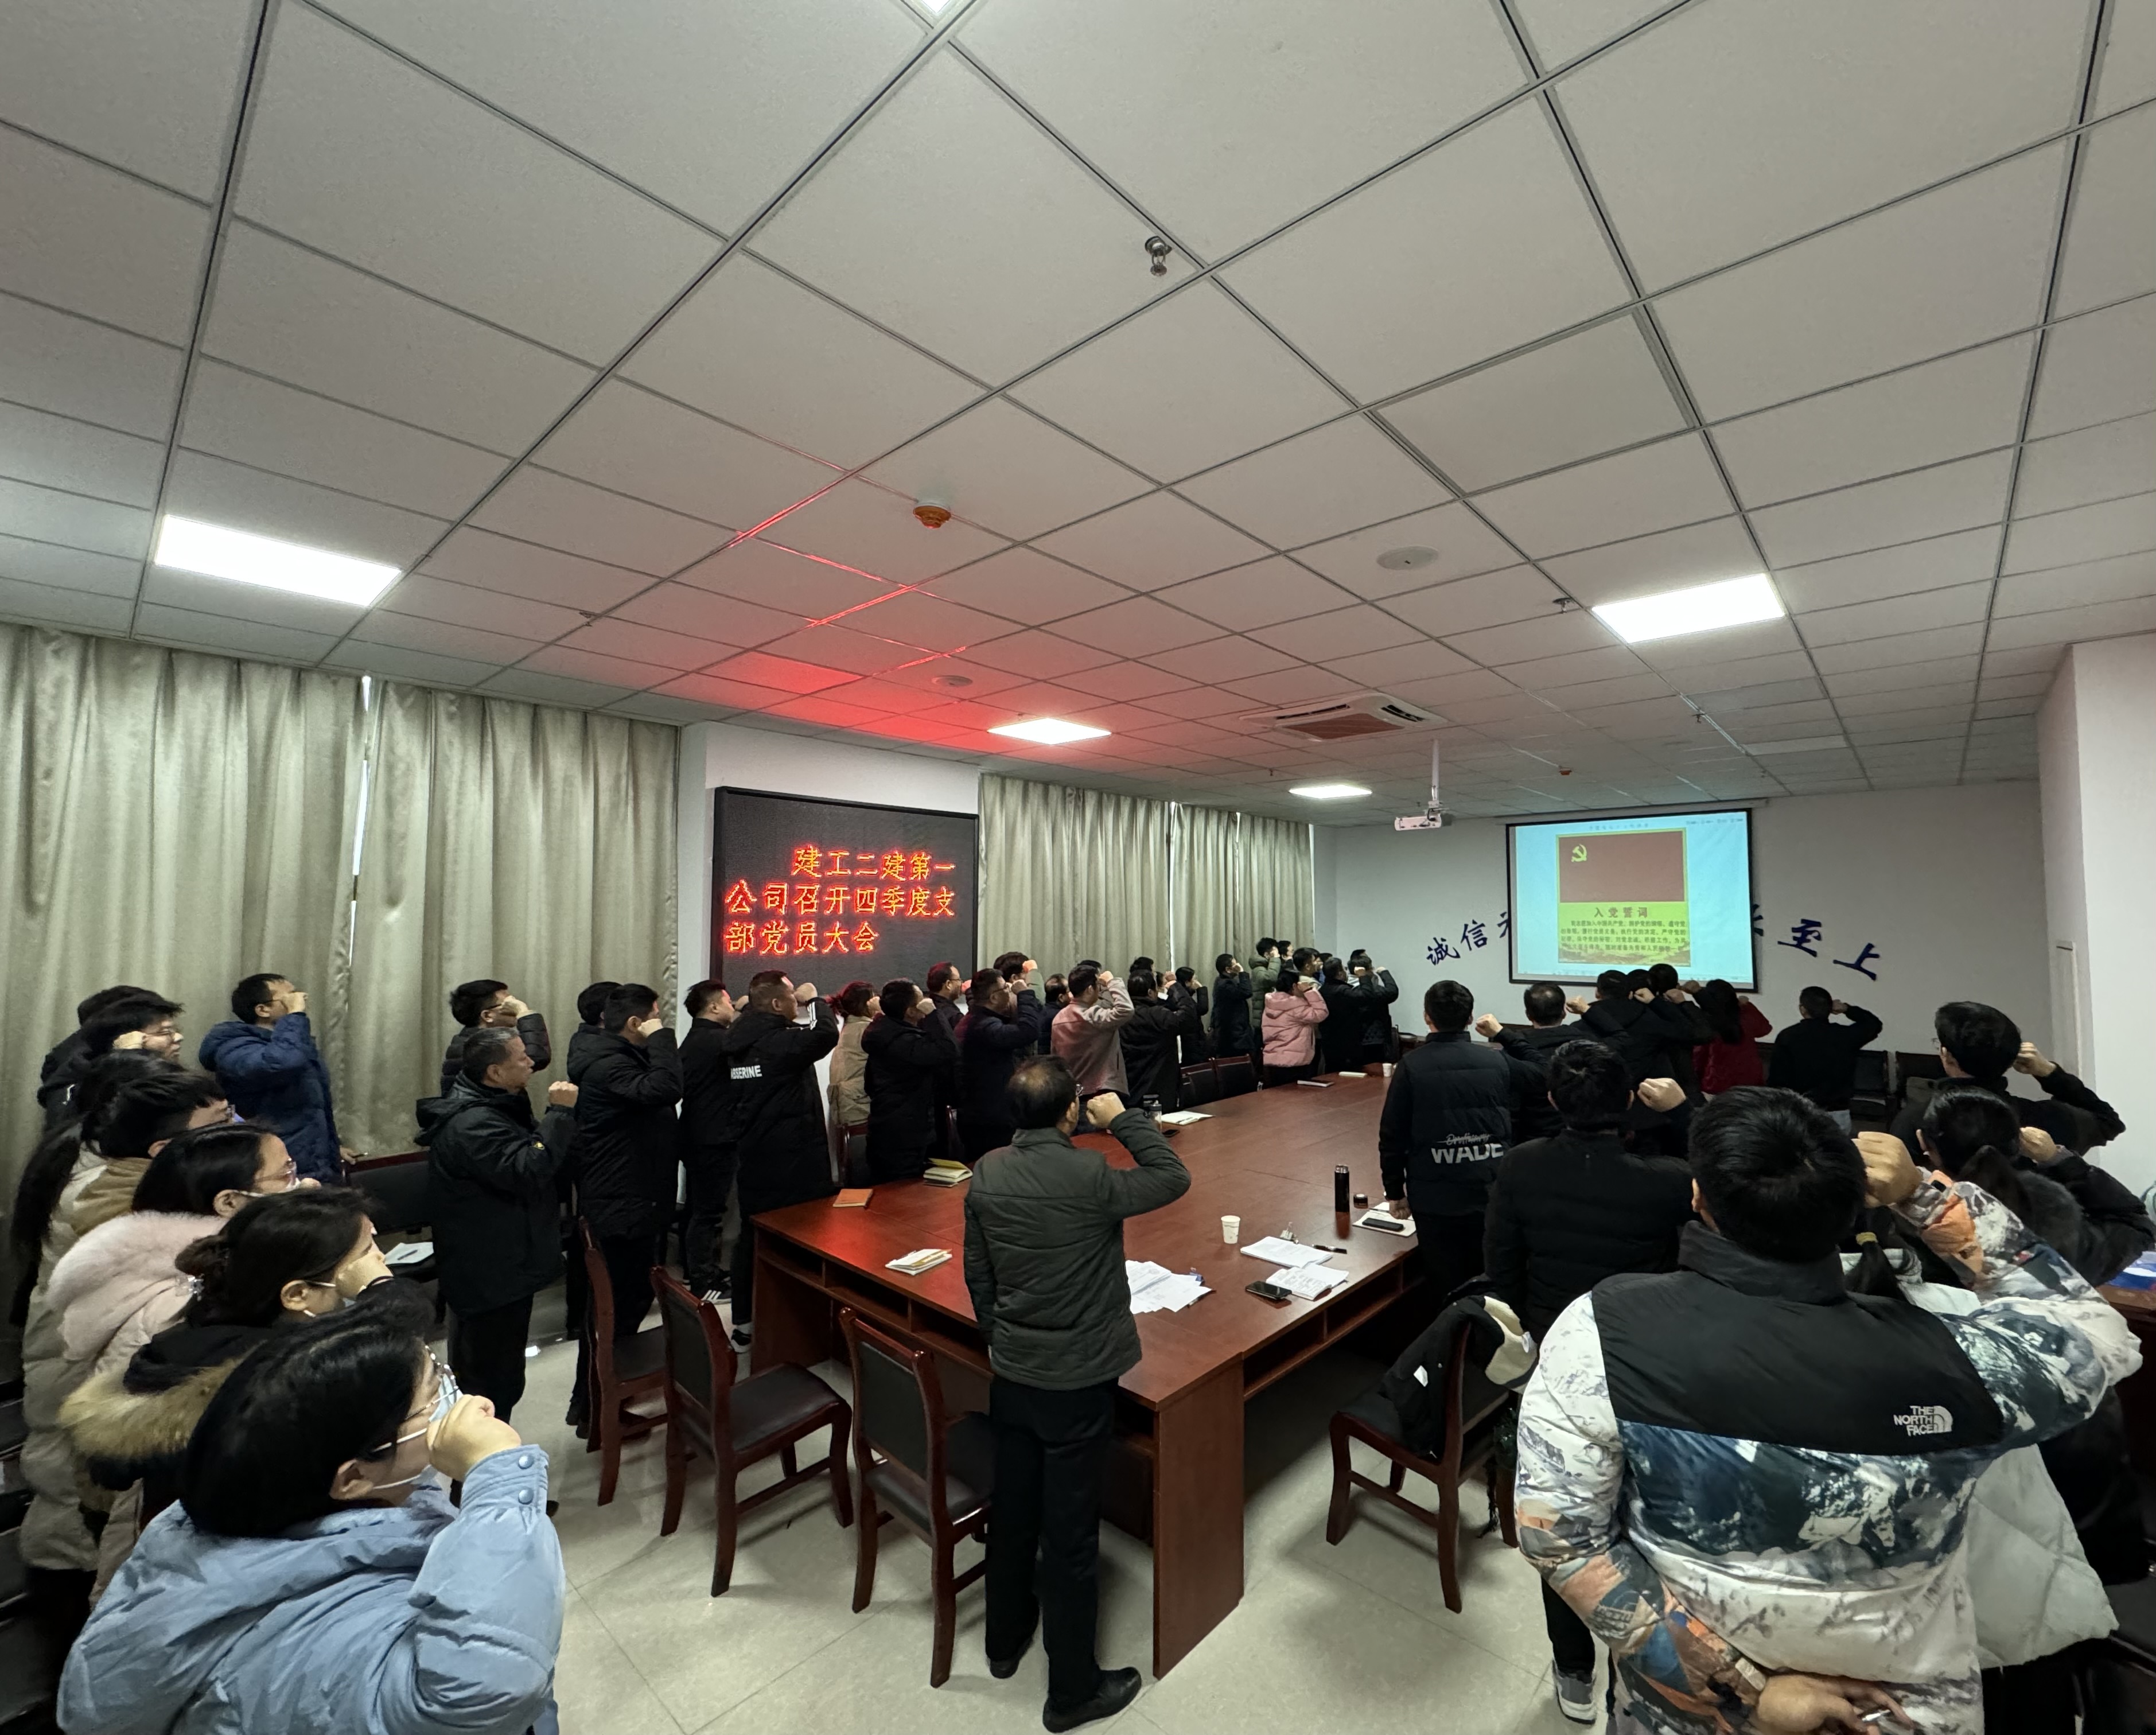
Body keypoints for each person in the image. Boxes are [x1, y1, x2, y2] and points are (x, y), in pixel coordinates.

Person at [1515, 1089, 2139, 1735]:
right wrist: (1926, 1197)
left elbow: (1558, 1536)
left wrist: (1744, 1691)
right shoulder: (1960, 1360)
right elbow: (2092, 1331)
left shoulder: (1603, 1330)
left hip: (1688, 1714)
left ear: (1699, 1198)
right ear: (1853, 1203)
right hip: (1898, 1712)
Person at [58, 1305, 563, 1735]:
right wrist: (498, 1481)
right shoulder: (306, 1634)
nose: (465, 1404)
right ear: (353, 1477)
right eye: (433, 1398)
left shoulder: (249, 1509)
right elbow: (480, 1691)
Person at [962, 1059, 1189, 1732]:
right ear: (1070, 1112)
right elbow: (1171, 1176)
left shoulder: (987, 1171)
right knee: (1069, 1536)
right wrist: (1122, 1120)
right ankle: (1071, 1692)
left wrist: (1001, 1337)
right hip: (1076, 1377)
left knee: (1013, 1508)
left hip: (1014, 1371)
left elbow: (979, 1274)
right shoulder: (1089, 1174)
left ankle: (1004, 1641)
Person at [1482, 1041, 1695, 1721]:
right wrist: (1683, 1114)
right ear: (1629, 1100)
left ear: (1551, 1100)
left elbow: (1501, 1267)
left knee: (1564, 1523)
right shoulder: (1667, 1179)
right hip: (1644, 1361)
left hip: (1555, 1363)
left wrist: (1533, 1335)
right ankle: (1652, 1670)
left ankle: (1573, 1672)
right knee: (1642, 1515)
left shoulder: (1520, 1165)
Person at [58, 1189, 393, 1583]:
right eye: (365, 1259)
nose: (381, 1263)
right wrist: (383, 1294)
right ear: (298, 1294)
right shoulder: (280, 1381)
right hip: (246, 1572)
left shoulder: (197, 1337)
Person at [1911, 1086, 2153, 1594]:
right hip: (2080, 1433)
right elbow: (2134, 1224)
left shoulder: (1910, 1229)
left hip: (1971, 1428)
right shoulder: (2055, 1213)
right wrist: (2064, 1161)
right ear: (2019, 1142)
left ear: (1924, 1144)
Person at [48, 1123, 307, 1594]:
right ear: (230, 1202)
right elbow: (139, 1444)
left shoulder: (195, 1268)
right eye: (285, 1173)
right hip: (179, 1526)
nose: (302, 1182)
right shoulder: (176, 1299)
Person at [15, 1059, 220, 1590]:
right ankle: (64, 1586)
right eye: (218, 1125)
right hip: (77, 1352)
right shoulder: (119, 1199)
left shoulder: (109, 1164)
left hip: (75, 1346)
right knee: (74, 1482)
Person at [419, 1026, 577, 1422]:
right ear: (494, 1072)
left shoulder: (496, 1101)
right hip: (489, 1271)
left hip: (501, 1261)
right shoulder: (473, 1123)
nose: (531, 1062)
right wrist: (560, 1114)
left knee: (499, 1369)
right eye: (521, 1057)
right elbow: (528, 1169)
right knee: (490, 1378)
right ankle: (484, 1448)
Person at [567, 983, 679, 1415]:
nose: (658, 1023)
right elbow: (665, 1088)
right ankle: (594, 1406)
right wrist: (662, 1037)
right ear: (636, 1023)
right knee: (613, 1311)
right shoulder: (609, 1064)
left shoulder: (614, 1056)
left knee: (625, 1304)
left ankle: (604, 1394)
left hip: (632, 1199)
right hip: (622, 1203)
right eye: (654, 1017)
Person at [715, 971, 837, 1348]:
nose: (794, 1002)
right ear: (775, 1003)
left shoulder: (738, 1040)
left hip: (755, 1155)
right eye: (790, 997)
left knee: (753, 1237)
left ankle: (746, 1323)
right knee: (799, 1237)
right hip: (793, 1159)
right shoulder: (779, 1043)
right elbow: (825, 1034)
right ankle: (798, 1328)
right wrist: (814, 999)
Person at [1377, 980, 1513, 1297]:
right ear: (1470, 1018)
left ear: (1427, 1017)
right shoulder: (1496, 1060)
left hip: (1435, 1196)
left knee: (1445, 1283)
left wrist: (1395, 1191)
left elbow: (1393, 1134)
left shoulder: (1412, 1065)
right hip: (1489, 1187)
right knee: (1490, 1278)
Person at [1888, 1003, 2124, 1154]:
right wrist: (2049, 1072)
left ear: (1947, 1055)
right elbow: (2108, 1122)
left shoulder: (1916, 1120)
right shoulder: (2043, 1120)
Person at [198, 974, 343, 1182]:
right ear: (263, 1010)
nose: (300, 999)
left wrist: (333, 1148)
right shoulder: (233, 1046)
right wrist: (295, 1015)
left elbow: (311, 1106)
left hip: (316, 1162)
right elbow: (282, 1064)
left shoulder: (293, 1043)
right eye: (289, 996)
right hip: (273, 1166)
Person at [678, 978, 740, 1301]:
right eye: (728, 1001)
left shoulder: (695, 1039)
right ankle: (704, 1281)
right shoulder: (719, 1041)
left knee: (697, 1206)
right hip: (715, 1136)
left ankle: (694, 1271)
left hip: (695, 1132)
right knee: (708, 1212)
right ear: (714, 1006)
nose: (733, 1005)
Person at [861, 978, 958, 1182]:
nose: (926, 1003)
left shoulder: (886, 1032)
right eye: (921, 1002)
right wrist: (934, 1014)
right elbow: (949, 1049)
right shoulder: (902, 1041)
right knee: (902, 1191)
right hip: (903, 1134)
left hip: (894, 1126)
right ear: (911, 1012)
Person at [38, 993, 186, 1125]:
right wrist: (128, 1057)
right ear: (124, 1040)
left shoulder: (172, 1073)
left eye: (176, 1031)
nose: (179, 1038)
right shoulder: (80, 1082)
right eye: (164, 1033)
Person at [956, 968, 1047, 1162]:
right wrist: (1025, 994)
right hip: (989, 1119)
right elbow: (1028, 1032)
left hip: (986, 1113)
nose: (1010, 990)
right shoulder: (984, 1026)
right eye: (1006, 988)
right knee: (994, 1166)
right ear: (994, 998)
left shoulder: (979, 1020)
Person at [1474, 982, 1581, 1144]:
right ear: (1564, 1013)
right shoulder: (1584, 1042)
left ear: (1528, 1015)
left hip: (1530, 1139)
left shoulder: (1515, 1049)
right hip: (1578, 1135)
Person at [1766, 987, 1883, 1130]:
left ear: (1803, 1009)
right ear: (1830, 1009)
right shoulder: (1845, 1036)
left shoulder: (1787, 1036)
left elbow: (1777, 1081)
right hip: (1837, 1112)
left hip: (1799, 1112)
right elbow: (1873, 1024)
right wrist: (1847, 1009)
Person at [1577, 968, 1696, 1087]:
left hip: (1596, 1091)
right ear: (1630, 994)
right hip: (1646, 1092)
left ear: (1597, 993)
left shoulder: (1581, 1026)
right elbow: (1689, 1031)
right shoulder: (1652, 1022)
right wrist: (1655, 1002)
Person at [439, 978, 551, 1098]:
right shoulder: (476, 1046)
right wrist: (523, 1012)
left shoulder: (474, 1039)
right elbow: (536, 1057)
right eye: (508, 1005)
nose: (514, 1008)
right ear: (487, 1016)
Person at [1118, 970, 1199, 1110]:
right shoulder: (1159, 1016)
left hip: (1130, 1087)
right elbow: (1188, 1017)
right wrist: (1175, 985)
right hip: (1161, 1088)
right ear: (1150, 992)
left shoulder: (1121, 1017)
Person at [1050, 964, 1134, 1096]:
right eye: (1098, 986)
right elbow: (1126, 1009)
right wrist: (1112, 982)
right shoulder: (1093, 1016)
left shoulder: (1059, 1018)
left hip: (1073, 1089)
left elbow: (1056, 1058)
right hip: (1101, 1089)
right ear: (1090, 989)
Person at [1692, 979, 1772, 1095]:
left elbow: (1699, 1056)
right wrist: (1748, 1006)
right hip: (1750, 1082)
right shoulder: (1745, 1016)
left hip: (1718, 1084)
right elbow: (1765, 1029)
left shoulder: (1708, 1023)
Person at [1259, 965, 1327, 1087]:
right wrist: (1309, 991)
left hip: (1272, 1060)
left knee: (1276, 1096)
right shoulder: (1295, 1005)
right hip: (1295, 1062)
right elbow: (1321, 1013)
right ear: (1295, 986)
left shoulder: (1271, 1003)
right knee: (1297, 1097)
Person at [828, 979, 878, 1133]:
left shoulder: (850, 1028)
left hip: (848, 1109)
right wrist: (882, 1012)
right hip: (861, 1110)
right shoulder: (867, 1029)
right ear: (867, 1004)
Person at [1208, 953, 1252, 1064]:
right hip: (1233, 1035)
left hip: (1233, 1032)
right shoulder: (1224, 985)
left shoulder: (1223, 981)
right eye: (1235, 964)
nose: (1238, 965)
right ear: (1228, 969)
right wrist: (1242, 972)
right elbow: (1246, 992)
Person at [1166, 966, 1211, 1065]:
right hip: (1191, 1041)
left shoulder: (1184, 995)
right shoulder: (1182, 998)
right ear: (1186, 982)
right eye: (1193, 980)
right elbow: (1202, 1009)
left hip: (1194, 1040)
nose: (1196, 982)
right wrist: (1200, 989)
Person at [924, 962, 967, 1045]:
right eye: (959, 980)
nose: (961, 984)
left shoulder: (923, 1009)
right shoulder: (954, 1016)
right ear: (948, 984)